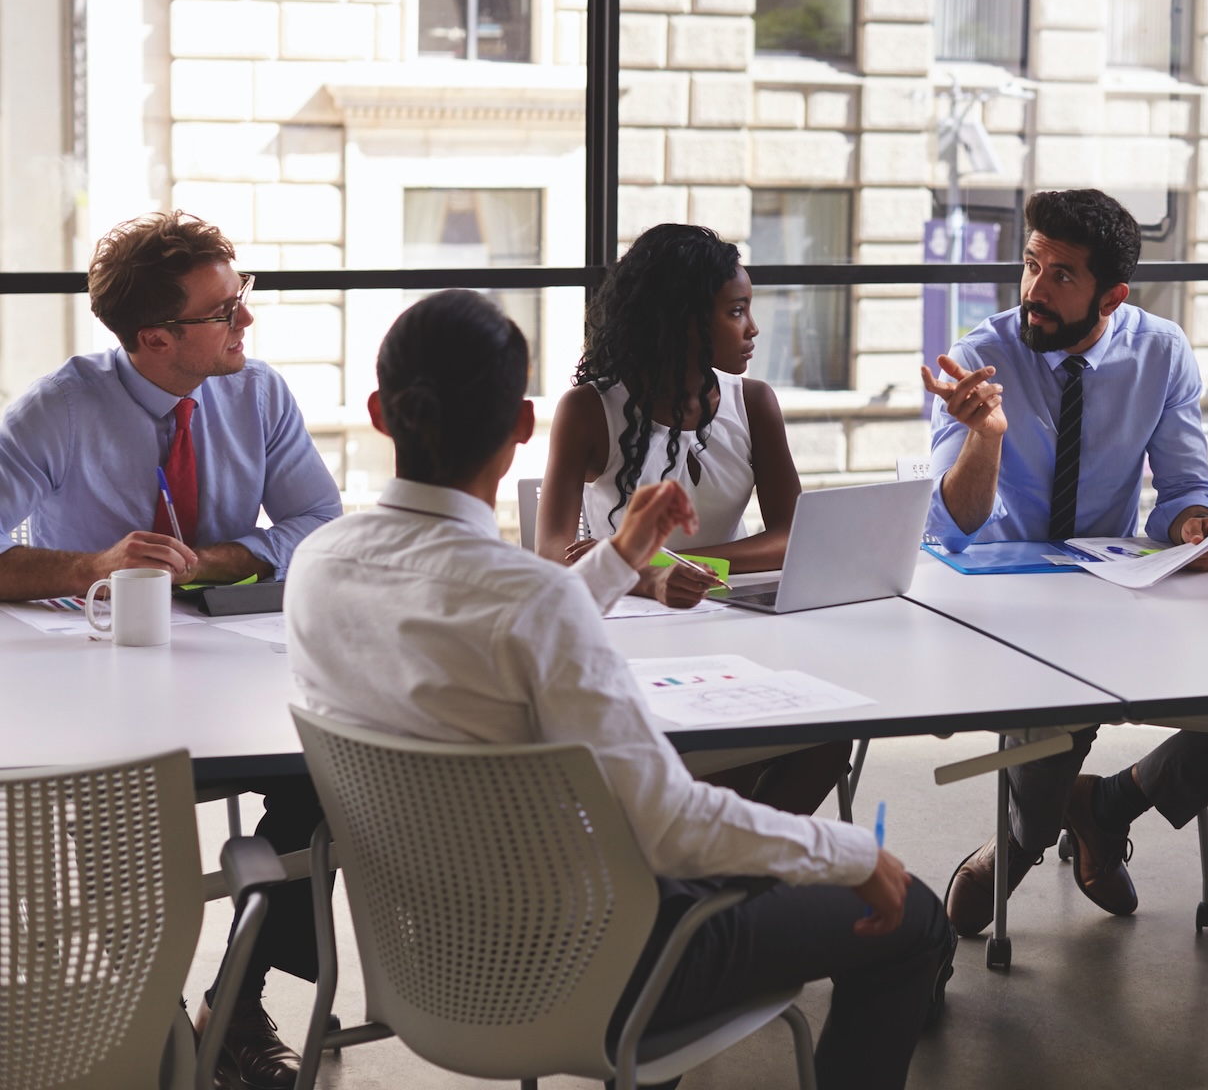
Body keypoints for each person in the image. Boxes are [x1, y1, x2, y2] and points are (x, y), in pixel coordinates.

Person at [287, 290, 954, 1090]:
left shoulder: (321, 564)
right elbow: (671, 828)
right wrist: (854, 854)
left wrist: (621, 556)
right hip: (599, 967)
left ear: (379, 413)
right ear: (523, 427)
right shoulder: (529, 600)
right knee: (914, 918)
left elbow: (514, 626)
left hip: (427, 962)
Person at [0, 211, 343, 1090]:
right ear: (155, 338)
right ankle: (146, 1016)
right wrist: (91, 563)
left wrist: (213, 559)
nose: (246, 322)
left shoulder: (257, 393)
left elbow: (321, 526)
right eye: (223, 311)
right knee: (122, 809)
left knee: (326, 772)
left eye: (242, 297)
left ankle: (234, 1001)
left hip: (234, 666)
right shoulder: (62, 406)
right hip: (100, 680)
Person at [922, 188, 1208, 936]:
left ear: (1112, 294)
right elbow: (953, 525)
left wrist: (1197, 523)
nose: (1035, 288)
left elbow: (1185, 489)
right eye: (1031, 264)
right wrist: (985, 437)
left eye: (1061, 275)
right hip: (1003, 598)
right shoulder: (977, 359)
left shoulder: (1160, 351)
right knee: (1057, 708)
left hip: (1111, 586)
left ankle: (1107, 805)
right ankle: (1019, 847)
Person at [539, 223, 850, 816]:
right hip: (626, 632)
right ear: (683, 321)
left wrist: (689, 564)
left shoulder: (753, 403)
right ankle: (716, 871)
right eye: (736, 312)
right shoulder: (587, 410)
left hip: (734, 627)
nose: (753, 329)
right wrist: (646, 575)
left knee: (830, 737)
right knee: (705, 749)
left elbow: (793, 537)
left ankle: (726, 879)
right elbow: (551, 558)